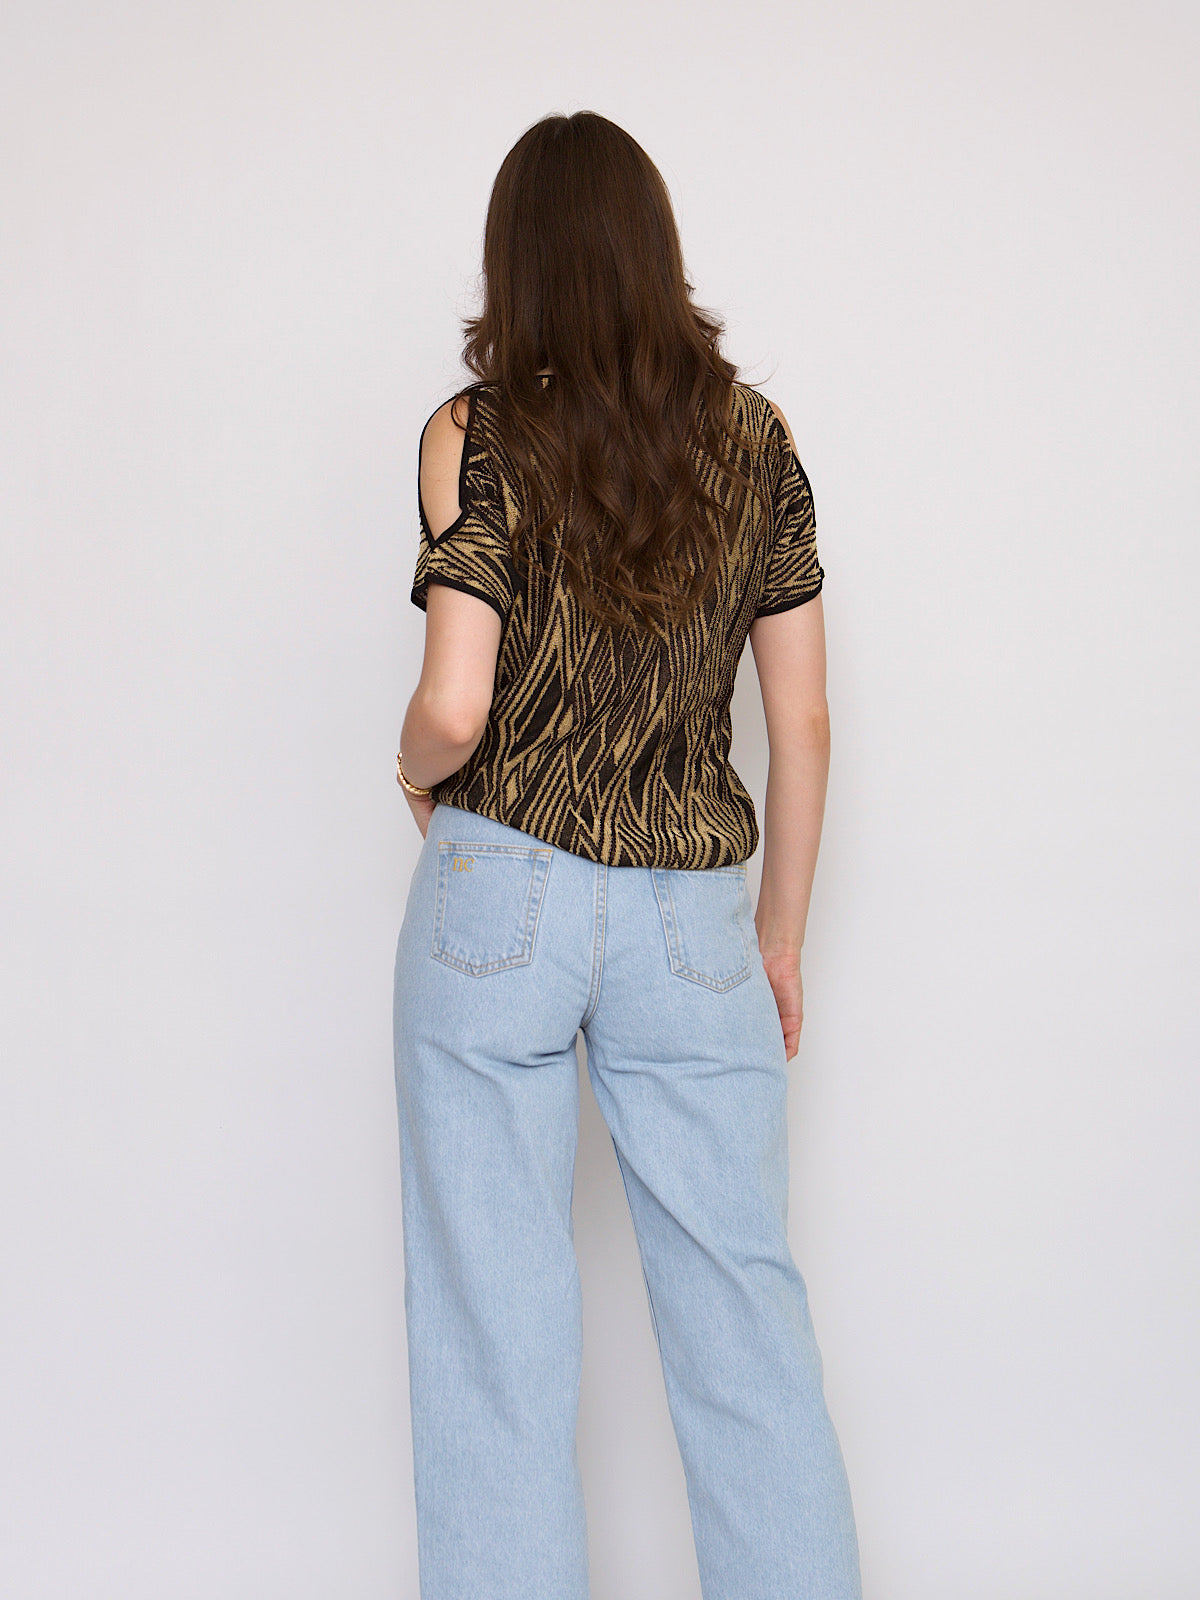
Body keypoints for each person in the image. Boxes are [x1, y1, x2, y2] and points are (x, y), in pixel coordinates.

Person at [391, 110, 862, 1600]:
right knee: (746, 1325)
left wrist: (410, 775)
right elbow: (804, 723)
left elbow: (454, 706)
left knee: (495, 1339)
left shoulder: (474, 435)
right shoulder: (756, 440)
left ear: (514, 260)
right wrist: (777, 937)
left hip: (499, 898)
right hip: (692, 918)